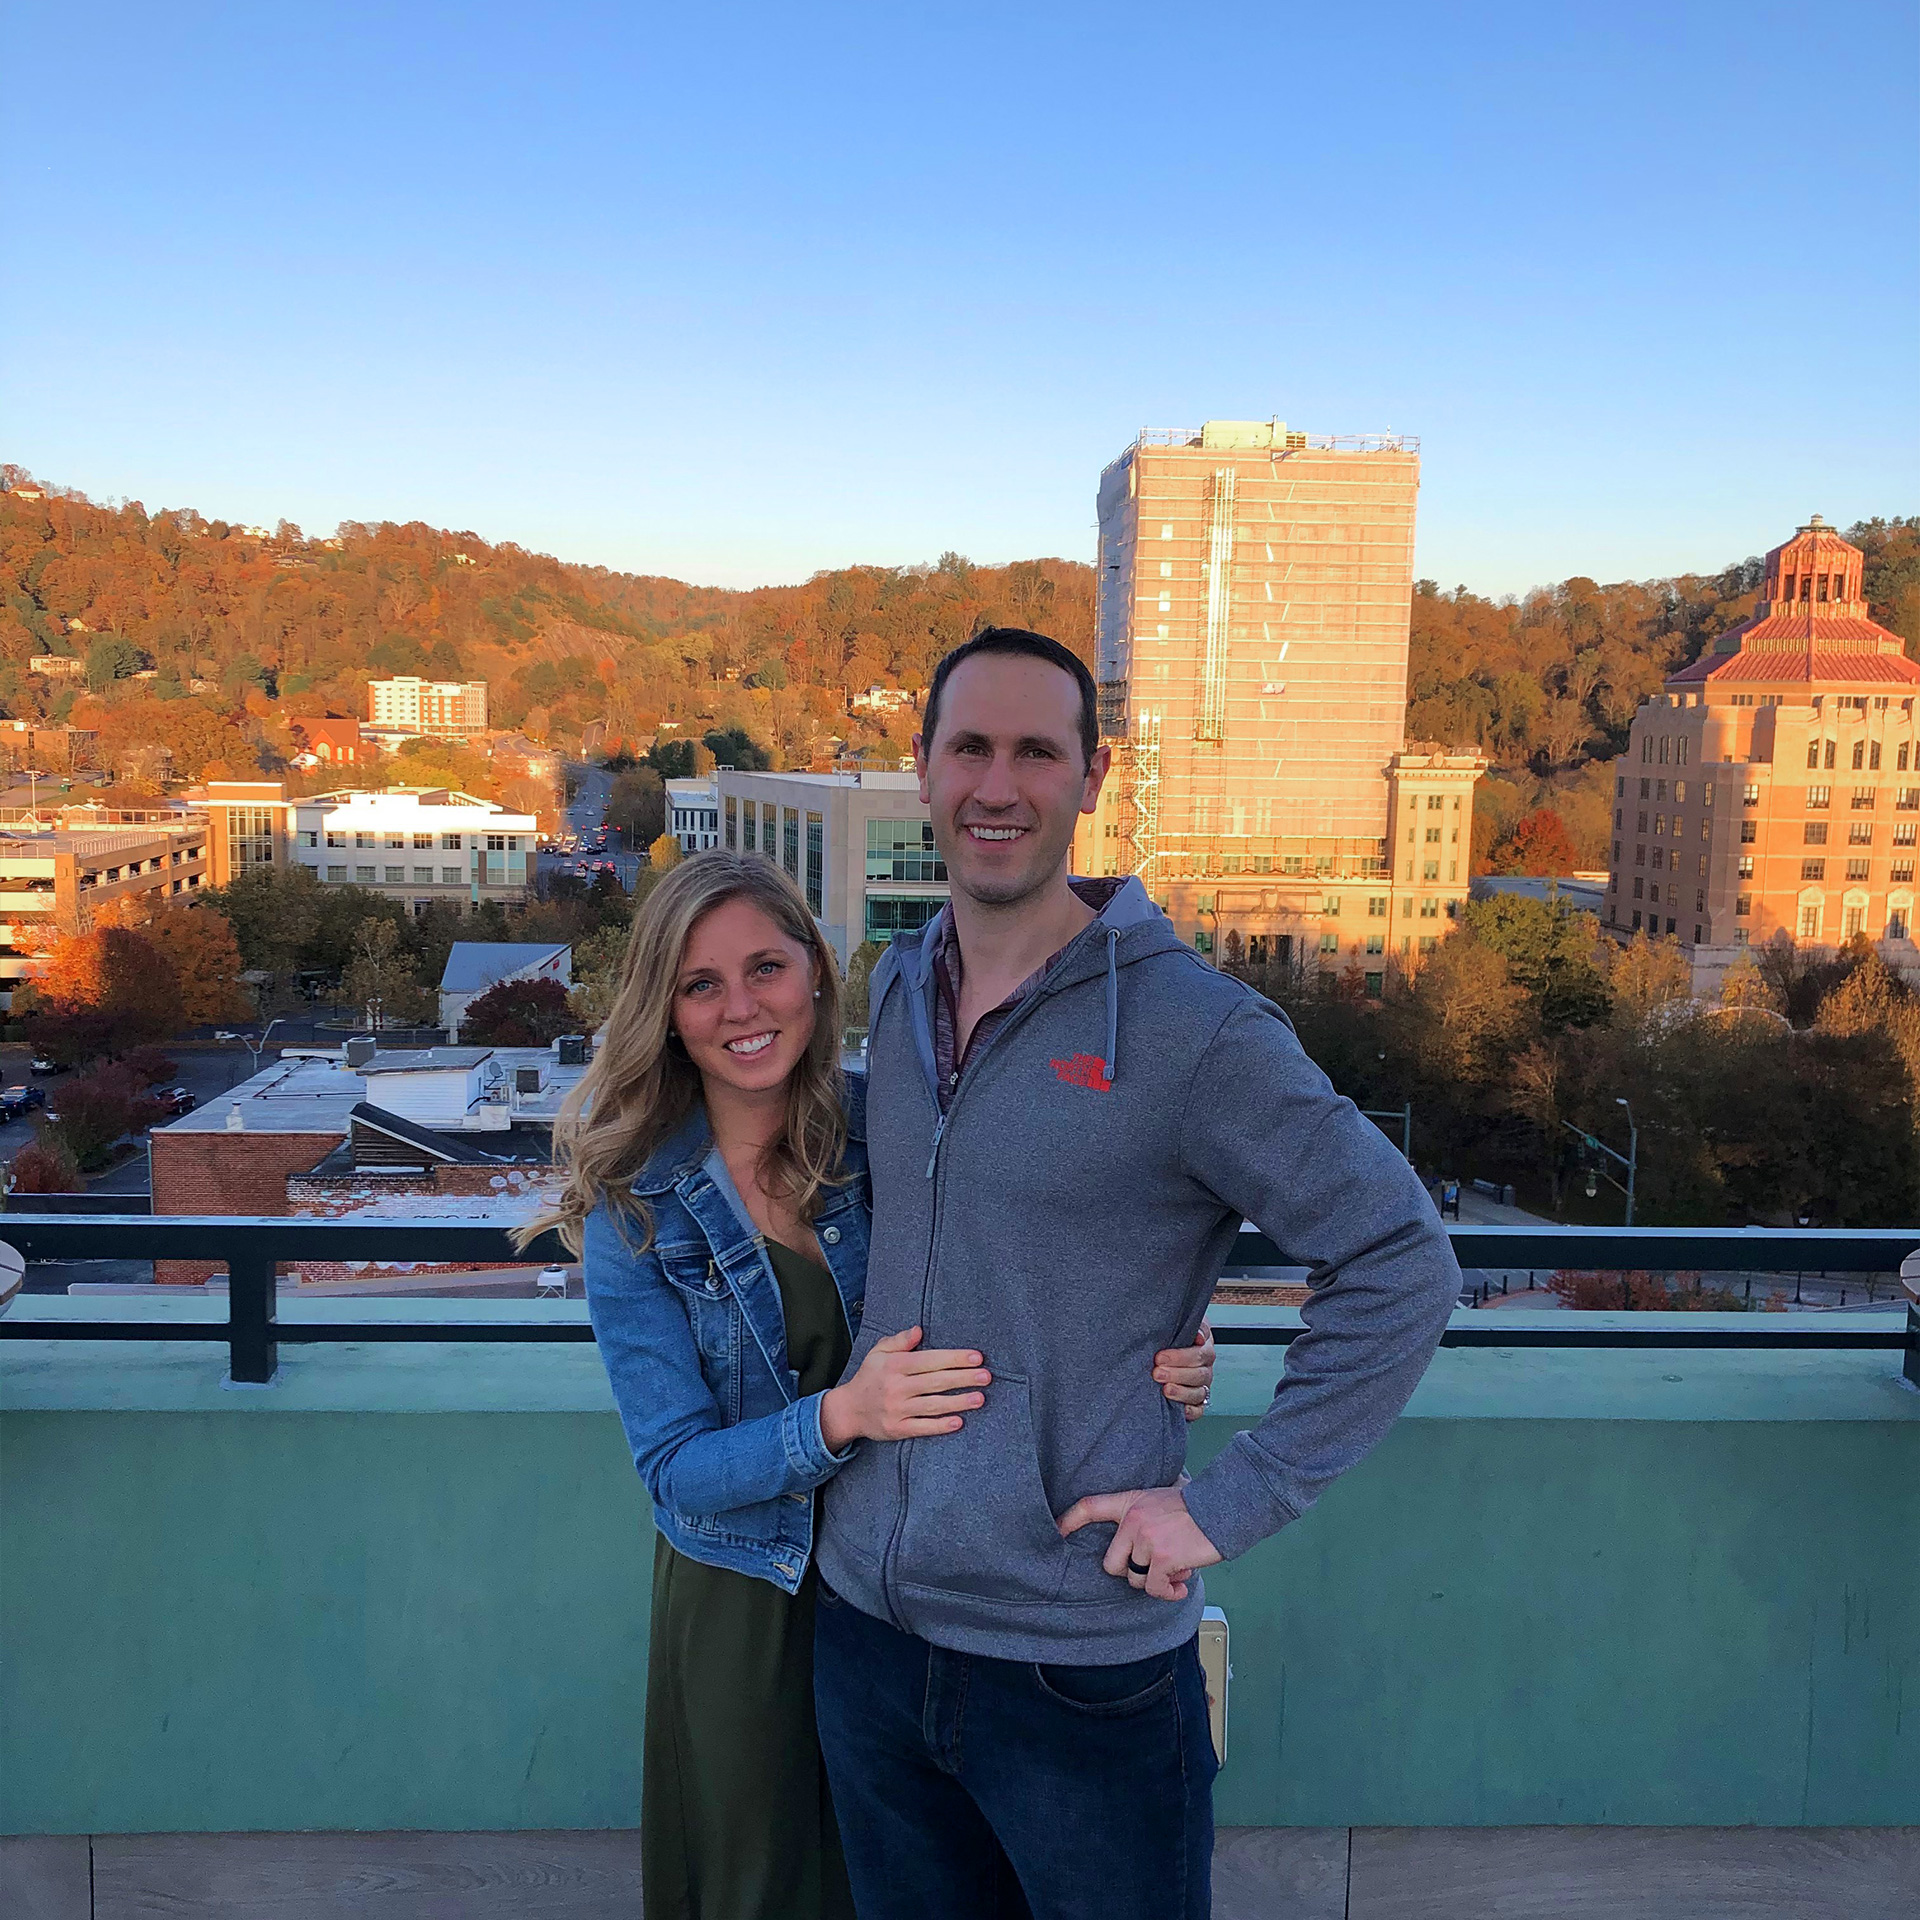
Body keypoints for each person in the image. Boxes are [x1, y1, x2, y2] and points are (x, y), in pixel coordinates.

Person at [813, 628, 1463, 1920]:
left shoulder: (1194, 1030)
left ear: (1092, 777)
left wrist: (1225, 1506)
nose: (999, 786)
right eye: (970, 749)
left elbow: (1398, 1258)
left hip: (1075, 1666)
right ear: (923, 770)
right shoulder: (893, 988)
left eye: (1037, 752)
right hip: (868, 1640)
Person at [525, 853, 1215, 1920]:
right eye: (701, 984)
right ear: (664, 1009)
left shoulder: (890, 1125)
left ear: (816, 973)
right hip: (748, 1612)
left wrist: (1159, 1339)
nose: (741, 1008)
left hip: (908, 1599)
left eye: (766, 966)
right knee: (775, 1887)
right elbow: (675, 1470)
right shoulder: (637, 1212)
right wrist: (843, 1416)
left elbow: (1047, 1245)